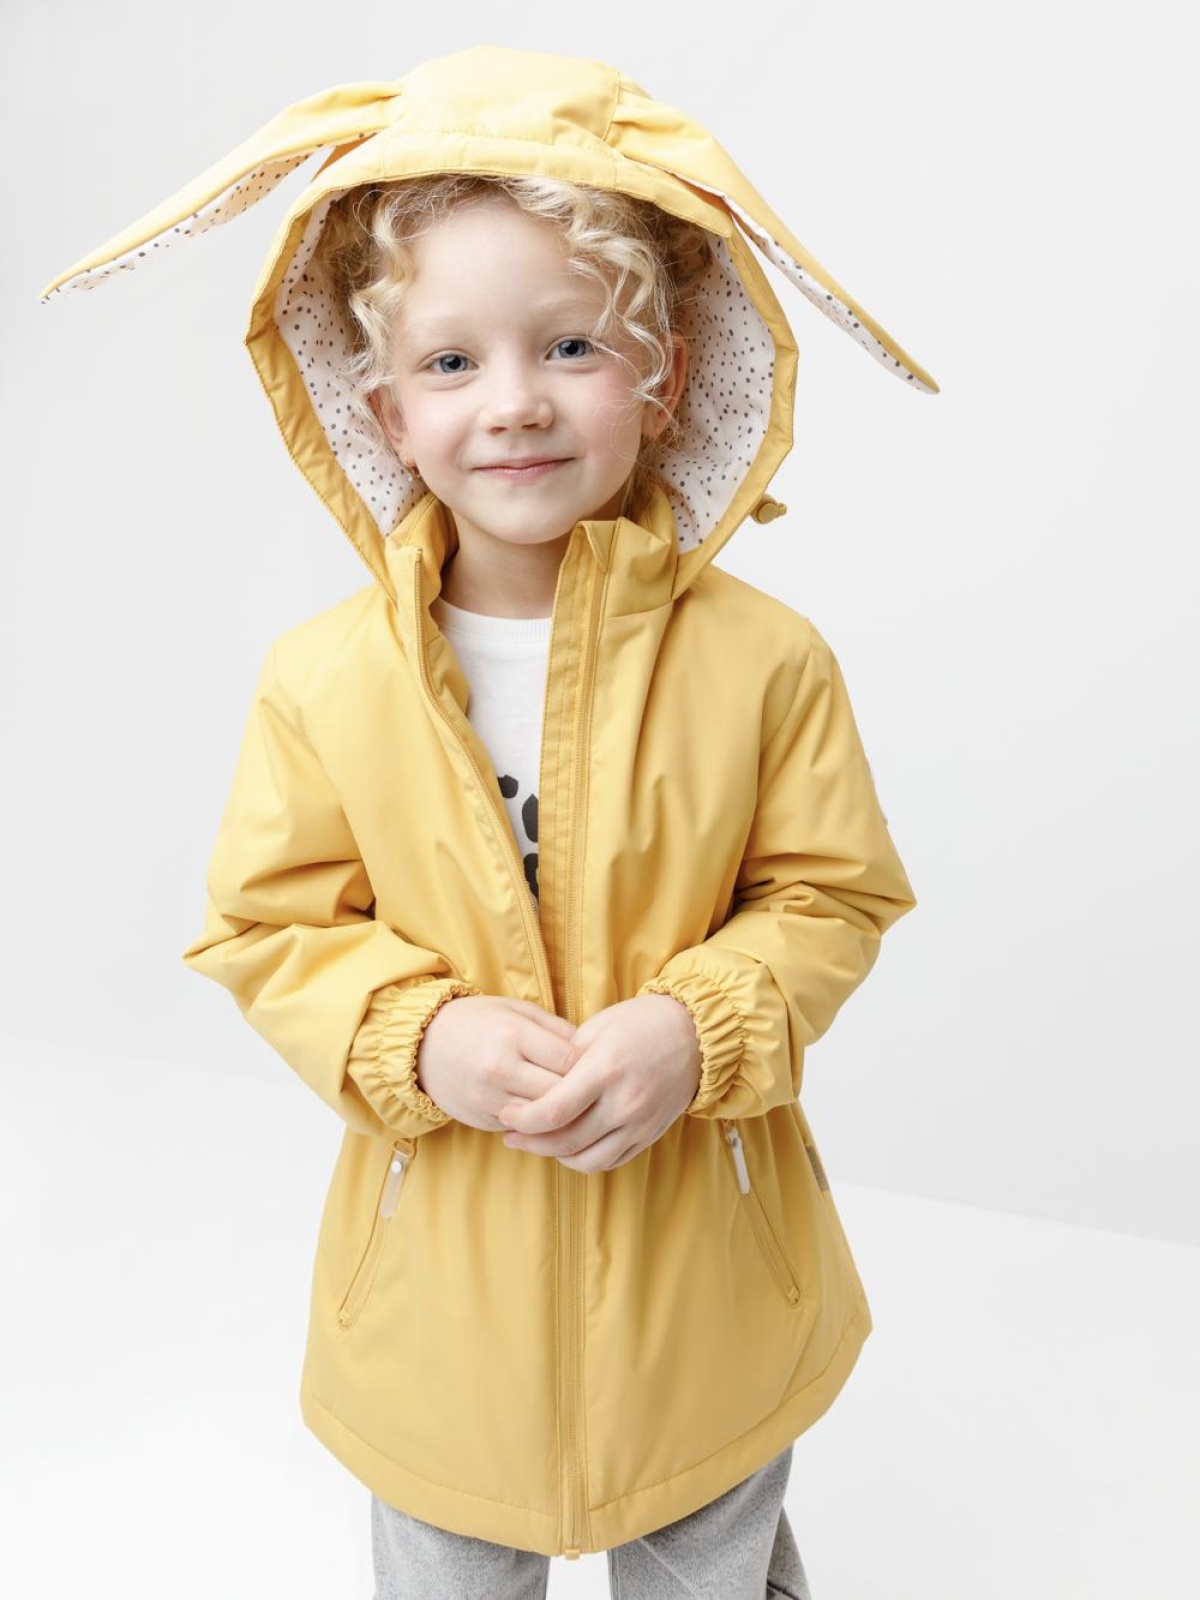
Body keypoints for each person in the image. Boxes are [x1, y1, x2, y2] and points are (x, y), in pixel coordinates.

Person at [39, 44, 937, 1597]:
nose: (514, 402)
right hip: (438, 1303)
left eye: (572, 345)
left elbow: (830, 897)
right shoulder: (325, 681)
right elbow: (270, 927)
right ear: (384, 411)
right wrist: (420, 1035)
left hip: (703, 1285)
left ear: (662, 379)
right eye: (451, 362)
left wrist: (697, 1028)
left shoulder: (765, 661)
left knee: (711, 1550)